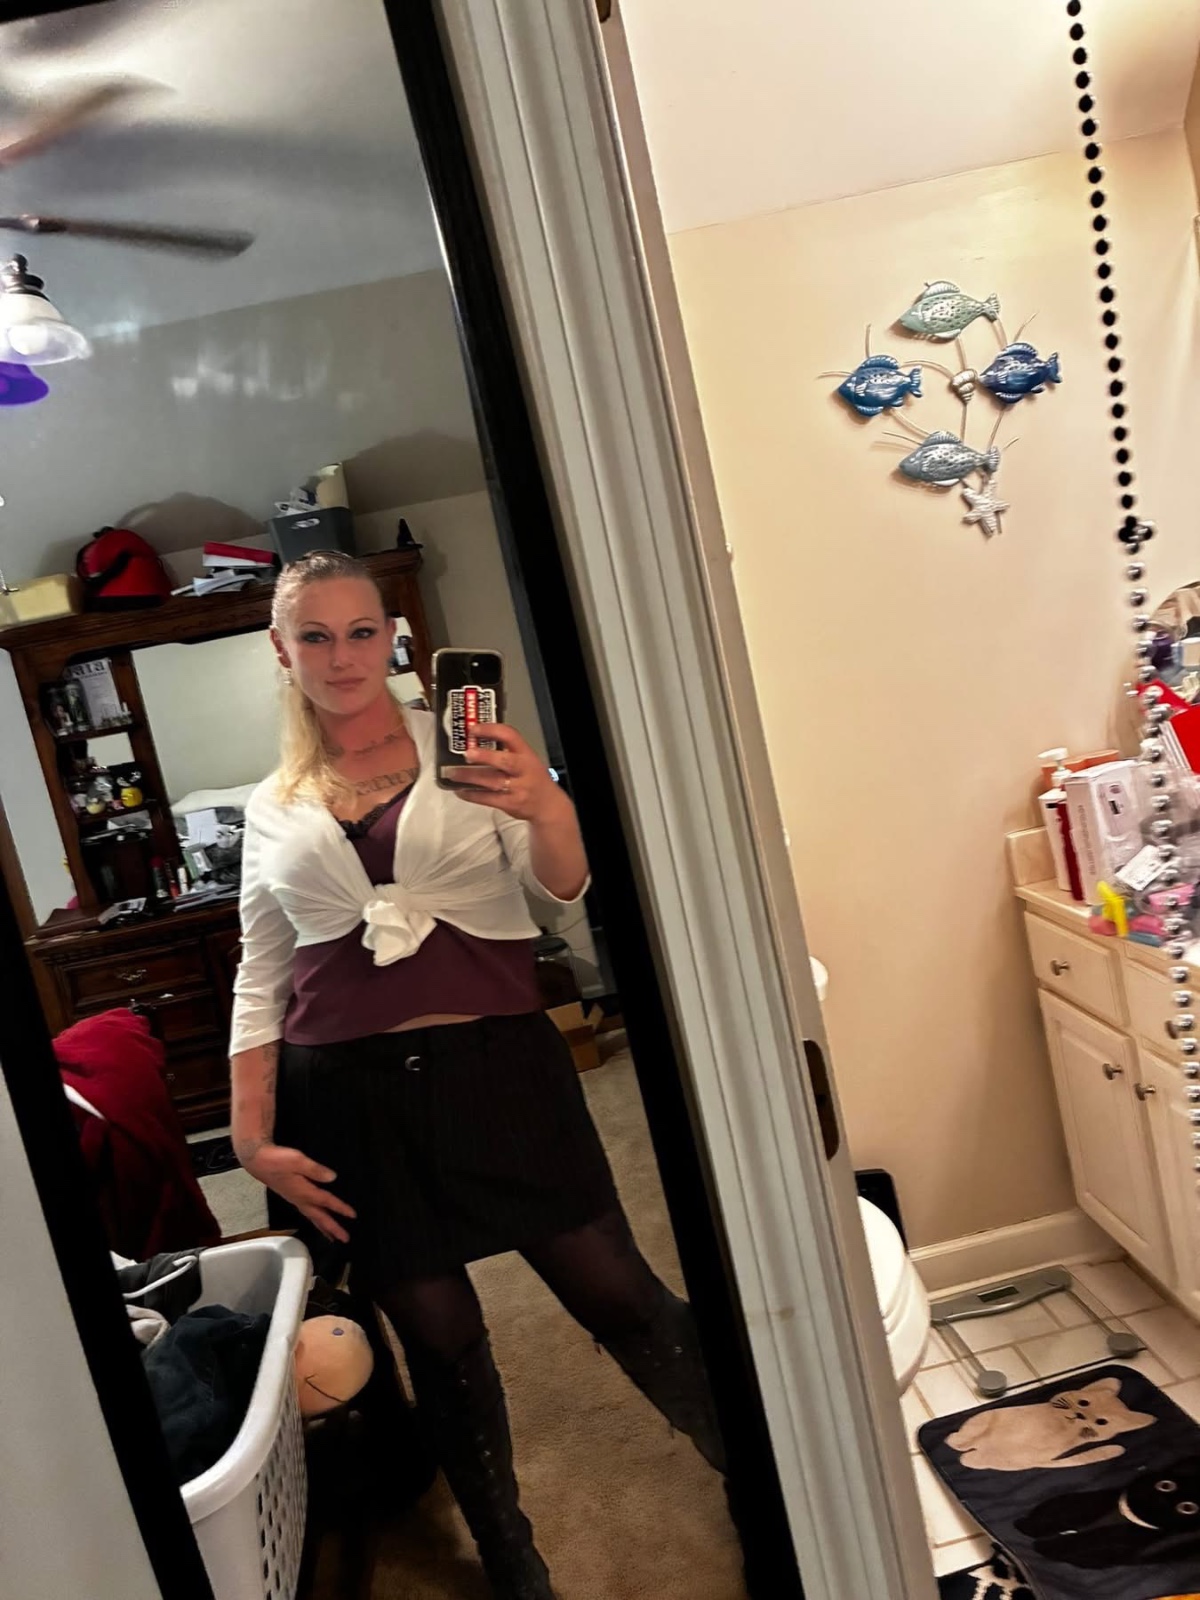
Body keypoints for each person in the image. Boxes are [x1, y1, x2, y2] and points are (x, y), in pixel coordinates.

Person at [230, 550, 724, 1600]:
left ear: (393, 638)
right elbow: (260, 973)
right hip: (347, 1098)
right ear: (281, 650)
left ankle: (762, 1464)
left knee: (621, 1294)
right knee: (440, 1344)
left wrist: (548, 807)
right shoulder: (270, 805)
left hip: (500, 1069)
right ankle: (512, 1561)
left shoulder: (470, 750)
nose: (341, 656)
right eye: (314, 636)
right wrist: (251, 1136)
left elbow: (561, 892)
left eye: (361, 632)